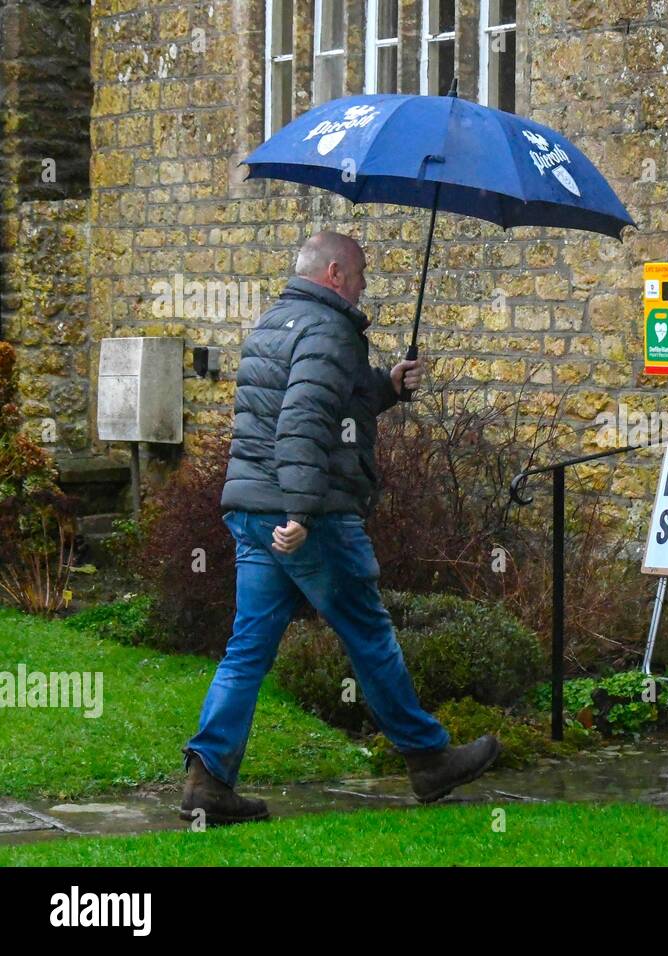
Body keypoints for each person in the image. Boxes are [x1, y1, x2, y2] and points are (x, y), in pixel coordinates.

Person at [180, 231, 499, 824]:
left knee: (246, 649)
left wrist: (385, 387)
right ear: (334, 272)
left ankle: (208, 781)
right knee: (368, 633)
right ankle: (429, 759)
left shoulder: (275, 321)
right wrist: (299, 514)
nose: (364, 286)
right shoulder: (329, 331)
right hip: (310, 515)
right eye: (361, 275)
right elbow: (301, 422)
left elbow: (323, 406)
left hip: (252, 509)